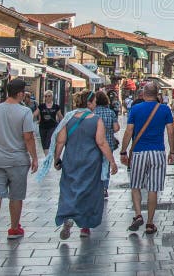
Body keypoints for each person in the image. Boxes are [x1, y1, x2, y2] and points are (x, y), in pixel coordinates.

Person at [0, 78, 38, 248]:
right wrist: (34, 157)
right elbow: (28, 137)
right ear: (20, 93)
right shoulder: (25, 112)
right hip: (18, 160)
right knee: (16, 195)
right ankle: (14, 228)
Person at [54, 91, 118, 239]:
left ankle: (68, 216)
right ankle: (85, 226)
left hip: (71, 160)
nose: (95, 104)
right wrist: (111, 161)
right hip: (91, 161)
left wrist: (57, 158)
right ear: (88, 103)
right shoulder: (96, 120)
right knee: (89, 191)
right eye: (94, 102)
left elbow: (60, 141)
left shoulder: (68, 119)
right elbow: (101, 143)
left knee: (68, 189)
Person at [119, 82, 174, 235]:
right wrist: (173, 152)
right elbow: (171, 131)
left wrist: (123, 151)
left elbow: (129, 131)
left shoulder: (135, 109)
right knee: (153, 188)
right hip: (157, 152)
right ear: (158, 95)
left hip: (138, 152)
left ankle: (138, 214)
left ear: (143, 94)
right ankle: (150, 223)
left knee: (135, 185)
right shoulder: (164, 109)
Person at [93, 90, 119, 199]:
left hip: (94, 144)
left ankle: (96, 187)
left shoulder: (92, 113)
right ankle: (104, 188)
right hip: (108, 144)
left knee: (95, 165)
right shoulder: (110, 113)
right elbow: (116, 128)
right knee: (106, 165)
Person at [37, 91, 62, 156]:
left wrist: (65, 124)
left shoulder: (56, 106)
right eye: (46, 96)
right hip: (42, 127)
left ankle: (47, 158)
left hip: (52, 127)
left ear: (52, 97)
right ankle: (47, 156)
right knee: (43, 143)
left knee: (48, 141)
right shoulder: (41, 106)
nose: (47, 97)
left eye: (49, 96)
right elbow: (35, 114)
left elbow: (60, 117)